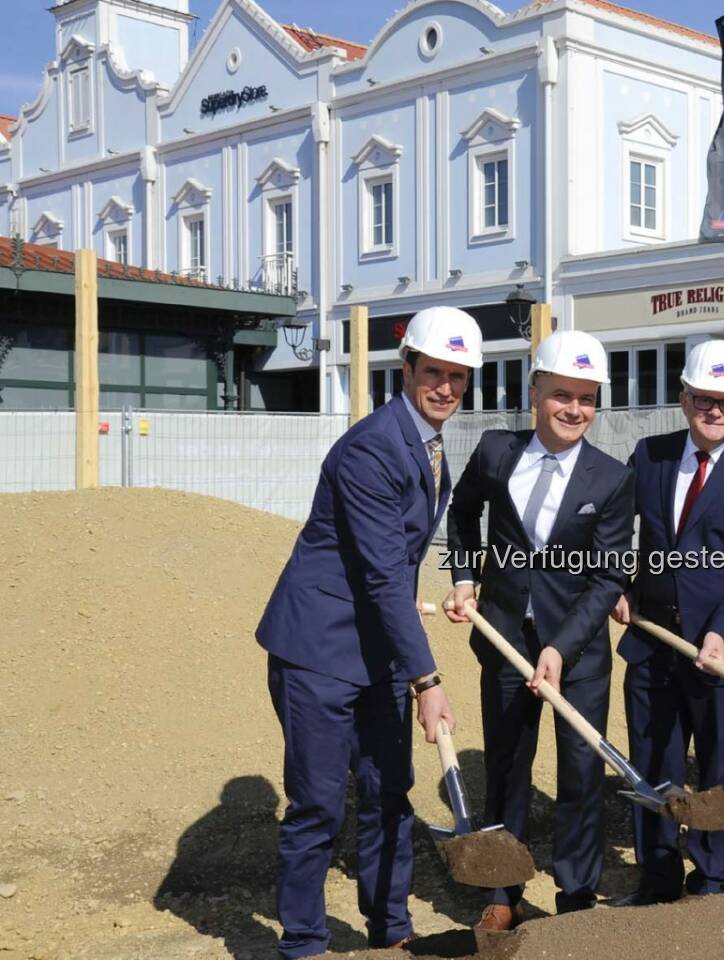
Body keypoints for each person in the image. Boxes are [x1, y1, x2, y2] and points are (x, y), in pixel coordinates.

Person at [255, 306, 482, 958]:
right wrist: (428, 680)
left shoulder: (427, 444)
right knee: (319, 806)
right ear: (406, 369)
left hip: (378, 644)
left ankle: (389, 932)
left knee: (390, 793)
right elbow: (383, 574)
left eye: (457, 377)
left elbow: (393, 567)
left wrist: (428, 604)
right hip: (320, 648)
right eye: (433, 372)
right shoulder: (373, 447)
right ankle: (303, 944)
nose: (445, 388)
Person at [441, 330, 634, 931]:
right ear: (535, 392)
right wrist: (467, 574)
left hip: (576, 653)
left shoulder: (609, 478)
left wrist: (559, 646)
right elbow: (462, 510)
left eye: (586, 398)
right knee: (506, 767)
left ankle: (576, 896)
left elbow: (607, 578)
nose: (574, 409)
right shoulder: (497, 452)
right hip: (503, 638)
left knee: (580, 773)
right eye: (561, 395)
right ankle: (505, 890)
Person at [611, 339, 724, 904]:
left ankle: (712, 878)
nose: (716, 412)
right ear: (684, 397)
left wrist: (721, 634)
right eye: (705, 399)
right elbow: (616, 527)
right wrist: (618, 582)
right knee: (654, 762)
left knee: (720, 766)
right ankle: (658, 876)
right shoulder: (650, 455)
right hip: (654, 643)